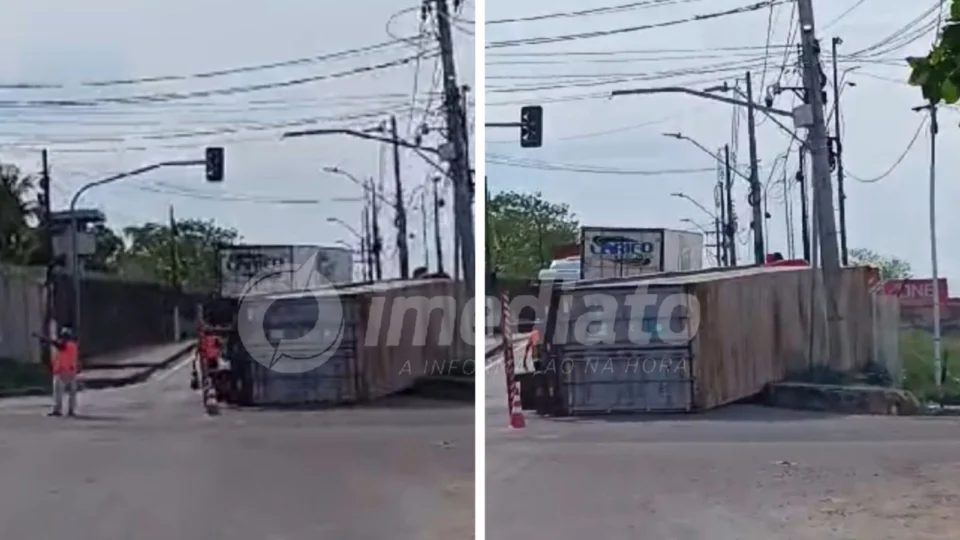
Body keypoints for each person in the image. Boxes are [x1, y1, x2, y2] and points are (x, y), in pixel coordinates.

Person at [35, 327, 80, 417]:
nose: (62, 338)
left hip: (62, 372)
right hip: (71, 372)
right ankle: (71, 410)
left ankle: (57, 410)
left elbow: (56, 344)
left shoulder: (66, 345)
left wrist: (43, 338)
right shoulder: (73, 345)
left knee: (58, 392)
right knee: (72, 393)